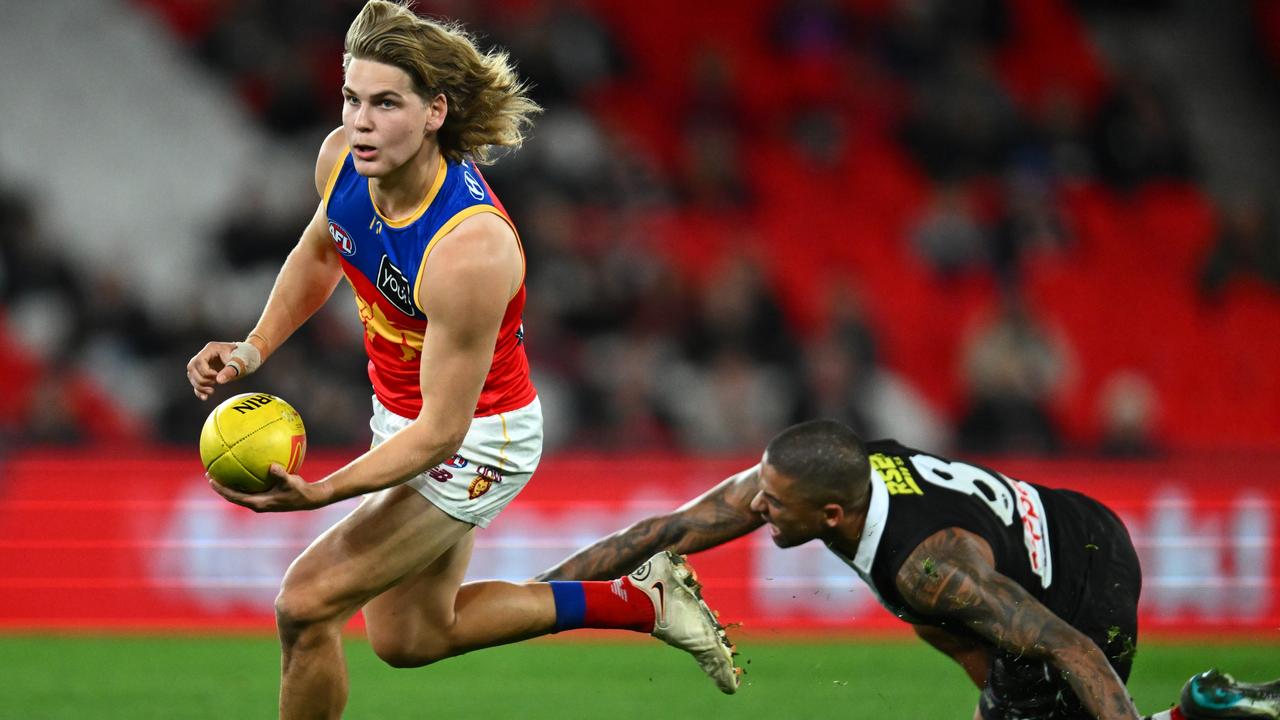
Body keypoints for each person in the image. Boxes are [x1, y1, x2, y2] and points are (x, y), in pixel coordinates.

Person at [185, 2, 737, 717]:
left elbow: (444, 431)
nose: (360, 121)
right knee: (410, 637)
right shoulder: (341, 163)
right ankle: (637, 600)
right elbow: (322, 251)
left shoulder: (470, 248)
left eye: (386, 104)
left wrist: (325, 492)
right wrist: (253, 346)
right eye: (353, 98)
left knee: (305, 602)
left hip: (476, 437)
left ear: (435, 112)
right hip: (406, 415)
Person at [537, 419, 1280, 720]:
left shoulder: (932, 568)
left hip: (1086, 579)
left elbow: (1070, 648)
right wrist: (534, 599)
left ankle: (1194, 712)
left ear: (830, 517)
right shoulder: (819, 481)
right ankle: (1201, 712)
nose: (759, 508)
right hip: (1038, 532)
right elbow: (658, 531)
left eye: (776, 503)